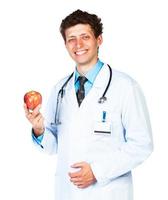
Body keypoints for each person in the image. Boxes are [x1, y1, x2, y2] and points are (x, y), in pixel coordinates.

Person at [24, 9, 153, 200]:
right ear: (66, 45)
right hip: (67, 192)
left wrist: (97, 171)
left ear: (99, 40)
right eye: (71, 39)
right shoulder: (60, 89)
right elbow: (53, 147)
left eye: (85, 37)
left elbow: (142, 144)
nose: (79, 45)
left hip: (108, 192)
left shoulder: (125, 86)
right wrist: (39, 129)